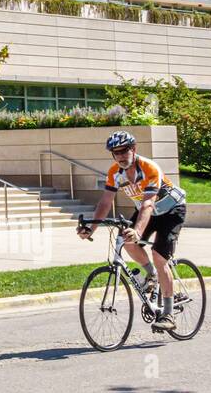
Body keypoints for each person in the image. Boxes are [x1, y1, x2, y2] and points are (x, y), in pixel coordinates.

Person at [78, 130, 187, 331]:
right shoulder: (114, 173)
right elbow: (105, 202)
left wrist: (137, 231)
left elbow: (147, 204)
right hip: (148, 212)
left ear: (133, 149)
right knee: (126, 241)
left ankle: (169, 314)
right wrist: (91, 228)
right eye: (115, 152)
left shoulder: (149, 168)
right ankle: (151, 275)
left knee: (159, 255)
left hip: (171, 210)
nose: (120, 156)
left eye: (124, 151)